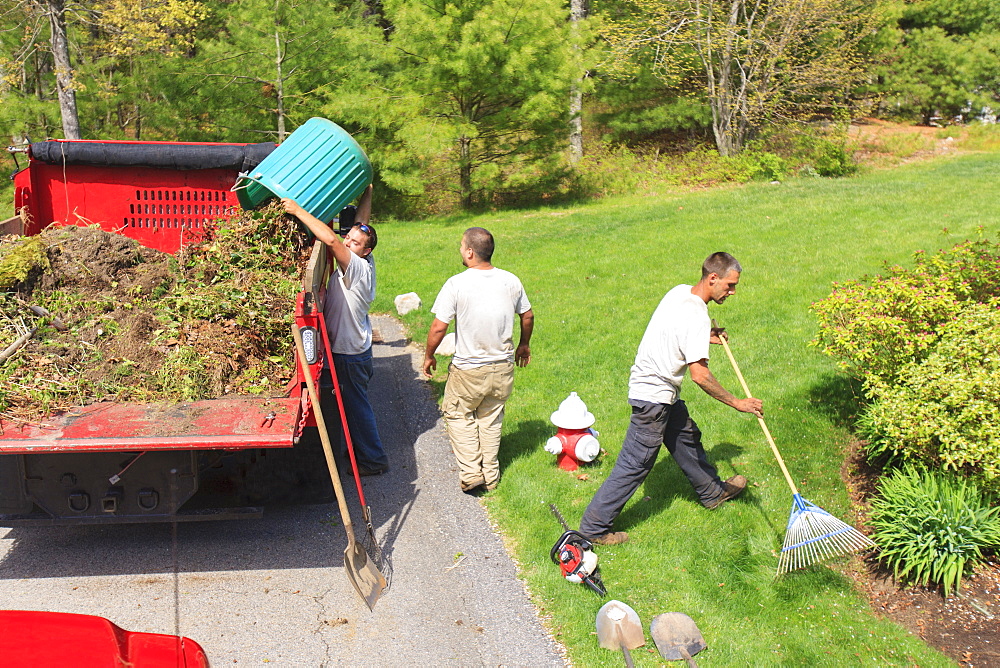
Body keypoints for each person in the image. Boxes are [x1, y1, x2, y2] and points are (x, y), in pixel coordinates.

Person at [579, 252, 764, 545]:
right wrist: (738, 403)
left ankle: (712, 492)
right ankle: (593, 528)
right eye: (729, 285)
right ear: (713, 278)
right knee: (634, 464)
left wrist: (704, 337)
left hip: (655, 388)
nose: (733, 291)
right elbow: (700, 376)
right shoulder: (697, 317)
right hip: (653, 397)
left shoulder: (679, 292)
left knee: (684, 437)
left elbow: (675, 331)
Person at [281, 186, 389, 475]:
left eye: (354, 243)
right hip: (354, 348)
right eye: (349, 238)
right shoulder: (362, 256)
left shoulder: (356, 267)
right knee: (354, 405)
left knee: (356, 407)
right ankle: (360, 452)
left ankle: (373, 460)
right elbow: (359, 226)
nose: (348, 242)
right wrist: (368, 192)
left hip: (349, 353)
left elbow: (329, 238)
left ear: (365, 252)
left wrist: (296, 210)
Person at [423, 227, 534, 493]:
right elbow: (527, 315)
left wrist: (428, 355)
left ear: (470, 252)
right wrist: (523, 345)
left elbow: (439, 327)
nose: (460, 250)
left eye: (462, 246)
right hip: (503, 367)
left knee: (458, 414)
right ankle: (492, 476)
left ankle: (472, 473)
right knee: (491, 418)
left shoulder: (457, 283)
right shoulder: (511, 280)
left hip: (469, 370)